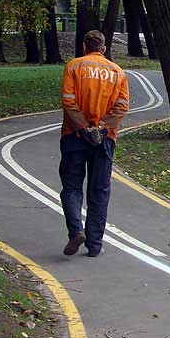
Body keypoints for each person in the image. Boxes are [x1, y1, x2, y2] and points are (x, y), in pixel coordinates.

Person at [59, 30, 129, 257]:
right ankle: (95, 245)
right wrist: (102, 129)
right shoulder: (117, 72)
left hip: (74, 136)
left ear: (84, 46)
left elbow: (68, 102)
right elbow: (121, 106)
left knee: (71, 187)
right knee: (99, 191)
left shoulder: (73, 67)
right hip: (105, 140)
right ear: (104, 48)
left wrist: (83, 128)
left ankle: (76, 231)